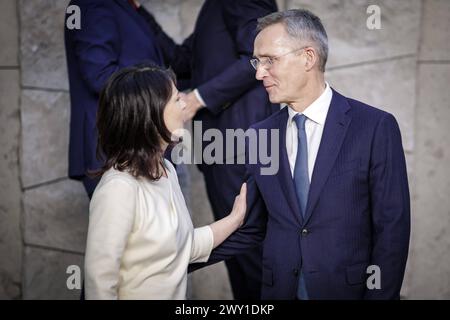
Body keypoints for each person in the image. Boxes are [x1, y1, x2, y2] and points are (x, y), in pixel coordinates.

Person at [195, 9, 411, 300]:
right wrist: (173, 260)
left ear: (308, 57)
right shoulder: (259, 134)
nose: (259, 73)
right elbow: (252, 228)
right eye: (257, 61)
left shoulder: (375, 127)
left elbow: (391, 230)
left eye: (270, 60)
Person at [139, 0, 279, 299]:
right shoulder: (213, 7)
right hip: (222, 149)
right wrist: (139, 12)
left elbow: (259, 58)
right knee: (239, 258)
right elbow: (181, 61)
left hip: (243, 146)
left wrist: (198, 99)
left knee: (254, 255)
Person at [84, 64, 248, 300]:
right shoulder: (118, 188)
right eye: (175, 99)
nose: (184, 102)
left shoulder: (166, 170)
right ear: (149, 114)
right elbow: (99, 284)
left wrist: (236, 218)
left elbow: (185, 247)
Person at [64, 0, 165, 198]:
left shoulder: (129, 8)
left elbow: (174, 59)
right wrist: (164, 94)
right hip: (114, 146)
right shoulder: (92, 5)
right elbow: (99, 76)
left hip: (137, 146)